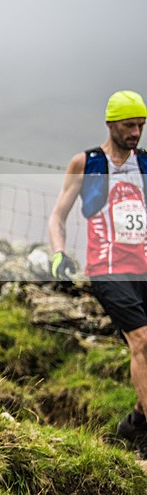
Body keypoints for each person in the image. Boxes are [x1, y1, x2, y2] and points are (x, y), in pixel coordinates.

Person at [48, 90, 147, 449]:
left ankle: (136, 421)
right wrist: (59, 254)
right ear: (110, 123)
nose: (136, 133)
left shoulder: (146, 164)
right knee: (142, 341)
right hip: (108, 270)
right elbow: (58, 216)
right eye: (129, 125)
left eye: (141, 125)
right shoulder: (87, 164)